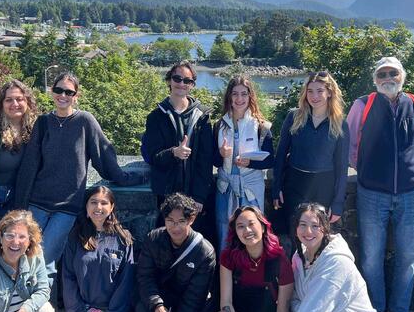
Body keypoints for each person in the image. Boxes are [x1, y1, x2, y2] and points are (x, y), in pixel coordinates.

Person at [14, 71, 143, 286]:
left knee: (43, 259)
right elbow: (30, 166)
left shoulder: (85, 121)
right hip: (37, 202)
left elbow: (103, 156)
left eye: (68, 91)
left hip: (66, 207)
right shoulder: (44, 123)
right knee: (25, 257)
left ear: (76, 95)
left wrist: (126, 178)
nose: (62, 95)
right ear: (51, 92)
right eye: (58, 90)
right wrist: (20, 206)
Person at [347, 57, 414, 312]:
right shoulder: (363, 105)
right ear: (375, 79)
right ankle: (375, 311)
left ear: (402, 76)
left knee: (408, 257)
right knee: (371, 257)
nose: (387, 77)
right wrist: (367, 171)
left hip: (411, 193)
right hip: (372, 193)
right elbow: (351, 144)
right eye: (382, 73)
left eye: (392, 73)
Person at [136, 193, 216, 312]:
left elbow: (194, 298)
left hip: (189, 302)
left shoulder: (204, 252)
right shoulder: (153, 239)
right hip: (164, 297)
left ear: (191, 219)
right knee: (142, 311)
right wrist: (157, 304)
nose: (175, 227)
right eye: (170, 221)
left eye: (181, 221)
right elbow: (144, 277)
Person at [62, 185, 135, 312]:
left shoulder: (123, 239)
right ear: (86, 207)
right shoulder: (75, 236)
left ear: (111, 208)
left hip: (113, 311)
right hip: (83, 308)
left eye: (104, 203)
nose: (98, 207)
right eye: (93, 202)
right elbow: (68, 278)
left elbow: (126, 282)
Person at [141, 61, 215, 235]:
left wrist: (200, 196)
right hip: (166, 194)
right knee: (166, 240)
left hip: (193, 195)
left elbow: (205, 161)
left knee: (193, 243)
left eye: (187, 81)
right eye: (177, 78)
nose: (181, 84)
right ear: (169, 81)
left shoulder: (202, 117)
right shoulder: (156, 117)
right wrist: (173, 153)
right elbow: (152, 156)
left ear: (192, 85)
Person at [273, 70, 349, 233]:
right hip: (294, 184)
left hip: (323, 186)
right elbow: (280, 155)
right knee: (295, 233)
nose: (314, 96)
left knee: (318, 235)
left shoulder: (339, 123)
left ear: (329, 93)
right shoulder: (294, 117)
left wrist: (337, 203)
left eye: (320, 91)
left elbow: (342, 167)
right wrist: (276, 187)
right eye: (310, 91)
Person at [213, 76, 275, 251]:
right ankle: (226, 275)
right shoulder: (219, 126)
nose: (239, 99)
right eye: (235, 94)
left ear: (250, 97)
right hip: (225, 189)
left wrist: (250, 163)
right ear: (229, 97)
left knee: (253, 234)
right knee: (225, 232)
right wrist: (221, 153)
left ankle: (251, 274)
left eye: (243, 94)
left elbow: (270, 160)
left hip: (251, 189)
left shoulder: (262, 127)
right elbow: (214, 161)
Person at [0, 79, 39, 242]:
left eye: (19, 99)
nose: (14, 103)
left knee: (7, 245)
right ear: (1, 103)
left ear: (28, 102)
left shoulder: (33, 129)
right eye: (9, 99)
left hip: (17, 198)